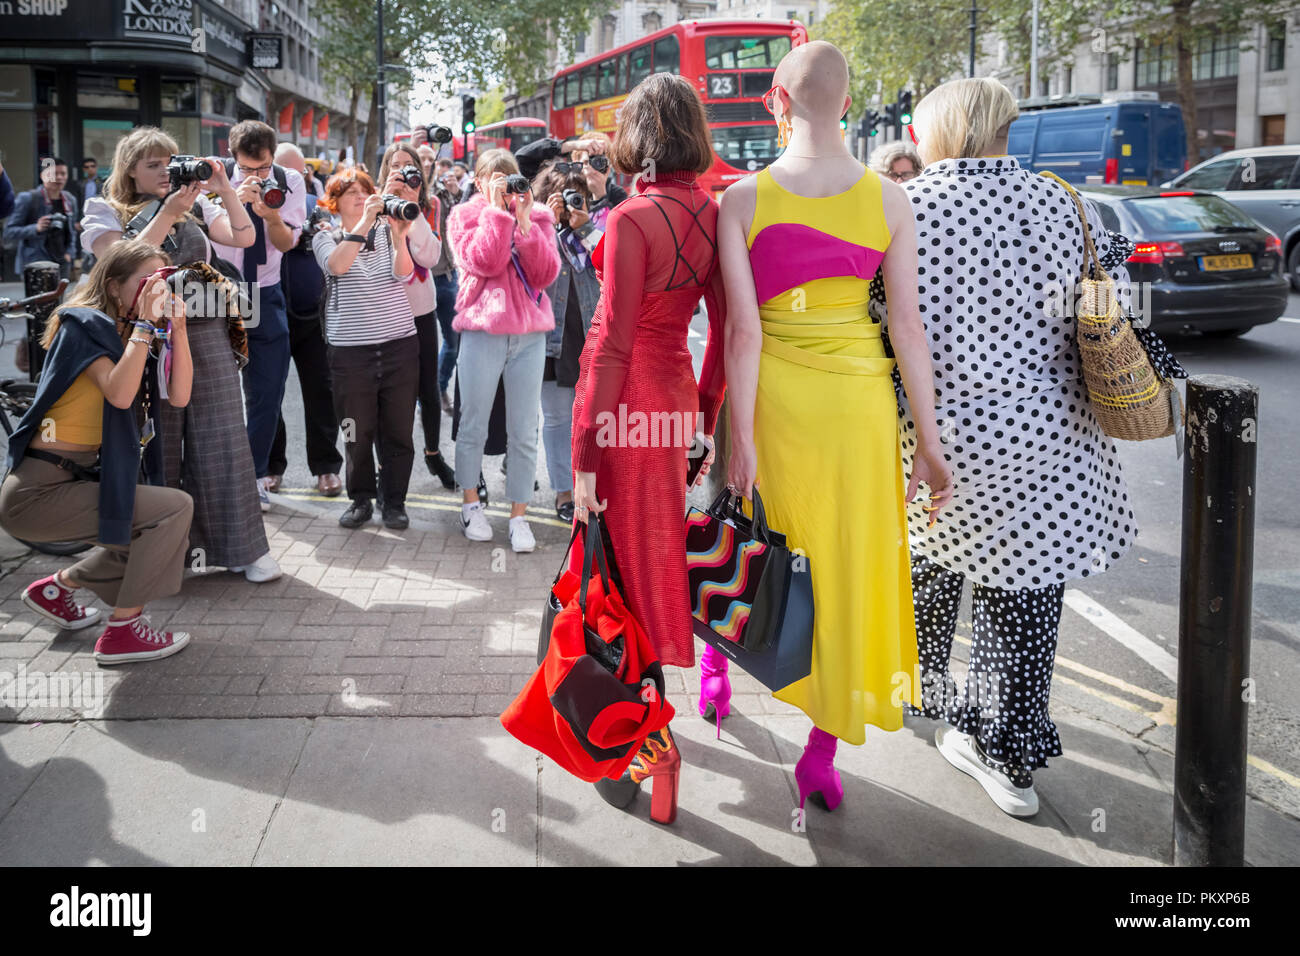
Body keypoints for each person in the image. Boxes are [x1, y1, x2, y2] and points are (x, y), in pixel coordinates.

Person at [717, 41, 952, 814]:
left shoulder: (742, 199)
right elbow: (909, 330)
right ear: (848, 104)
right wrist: (931, 444)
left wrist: (740, 436)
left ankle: (719, 673)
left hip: (776, 400)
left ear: (776, 104)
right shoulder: (890, 198)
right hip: (859, 410)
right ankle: (820, 757)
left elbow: (743, 336)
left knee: (756, 545)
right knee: (843, 570)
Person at [896, 77, 1136, 818]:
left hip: (937, 441)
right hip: (1048, 442)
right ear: (1005, 128)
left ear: (935, 131)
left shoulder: (903, 207)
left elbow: (877, 319)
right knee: (1024, 598)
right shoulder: (1071, 206)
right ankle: (1008, 758)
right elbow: (1112, 306)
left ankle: (921, 694)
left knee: (928, 569)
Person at [569, 73, 728, 824]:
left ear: (638, 134)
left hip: (625, 402)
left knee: (619, 578)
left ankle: (648, 745)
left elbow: (609, 344)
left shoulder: (632, 216)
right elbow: (726, 339)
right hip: (672, 397)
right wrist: (702, 420)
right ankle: (644, 738)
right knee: (650, 559)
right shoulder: (715, 210)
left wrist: (585, 457)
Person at [81, 126, 280, 585]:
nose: (165, 173)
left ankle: (243, 549)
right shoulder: (104, 210)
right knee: (157, 445)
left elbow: (244, 236)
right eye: (153, 165)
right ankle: (165, 555)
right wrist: (170, 211)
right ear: (129, 169)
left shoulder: (194, 204)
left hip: (205, 328)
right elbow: (119, 262)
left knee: (223, 437)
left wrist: (224, 187)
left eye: (170, 163)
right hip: (141, 335)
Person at [0, 239, 195, 664]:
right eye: (146, 281)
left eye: (162, 280)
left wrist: (177, 330)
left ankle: (57, 590)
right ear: (112, 287)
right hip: (36, 492)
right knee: (174, 510)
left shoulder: (132, 334)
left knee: (144, 534)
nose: (156, 290)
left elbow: (179, 397)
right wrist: (145, 326)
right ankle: (123, 632)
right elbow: (121, 395)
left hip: (71, 481)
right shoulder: (83, 326)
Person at [447, 148, 559, 552]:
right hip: (482, 332)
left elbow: (545, 275)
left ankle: (519, 516)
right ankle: (471, 504)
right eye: (494, 179)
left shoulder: (540, 217)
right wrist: (497, 214)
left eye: (510, 178)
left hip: (529, 336)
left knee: (524, 429)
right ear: (478, 183)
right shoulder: (464, 218)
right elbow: (484, 262)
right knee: (473, 422)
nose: (506, 187)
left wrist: (526, 224)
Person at [312, 167, 422, 530]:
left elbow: (403, 273)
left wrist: (400, 236)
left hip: (399, 344)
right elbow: (337, 266)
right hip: (350, 352)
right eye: (350, 193)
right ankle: (361, 499)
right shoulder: (325, 235)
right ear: (335, 201)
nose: (360, 197)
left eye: (364, 191)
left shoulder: (386, 228)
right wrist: (365, 222)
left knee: (398, 430)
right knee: (356, 431)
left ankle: (395, 502)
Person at [209, 120, 309, 512]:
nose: (256, 175)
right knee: (210, 391)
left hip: (263, 292)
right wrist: (231, 196)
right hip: (215, 292)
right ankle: (211, 475)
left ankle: (254, 477)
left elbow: (287, 243)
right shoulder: (213, 180)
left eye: (263, 167)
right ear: (232, 158)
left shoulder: (289, 181)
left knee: (267, 392)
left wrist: (269, 214)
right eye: (248, 169)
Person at [266, 141, 344, 498]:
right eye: (286, 172)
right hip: (269, 313)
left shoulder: (315, 206)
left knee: (321, 393)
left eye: (301, 172)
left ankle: (327, 467)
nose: (295, 179)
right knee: (267, 394)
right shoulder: (255, 205)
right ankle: (270, 467)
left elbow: (320, 236)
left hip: (312, 315)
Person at [379, 140, 454, 489]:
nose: (403, 171)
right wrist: (386, 197)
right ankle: (389, 467)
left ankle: (434, 454)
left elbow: (430, 256)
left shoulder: (430, 205)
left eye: (409, 166)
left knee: (427, 387)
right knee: (390, 393)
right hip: (384, 310)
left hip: (420, 308)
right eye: (396, 165)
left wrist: (412, 205)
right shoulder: (373, 202)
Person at [533, 163, 601, 523]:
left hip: (593, 339)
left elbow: (609, 259)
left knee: (590, 420)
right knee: (558, 419)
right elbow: (532, 268)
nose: (573, 203)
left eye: (580, 196)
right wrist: (547, 220)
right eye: (564, 196)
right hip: (553, 341)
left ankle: (586, 488)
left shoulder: (597, 226)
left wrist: (584, 224)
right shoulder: (538, 229)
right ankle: (563, 491)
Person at [5, 157, 78, 280]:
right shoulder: (28, 199)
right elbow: (9, 232)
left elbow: (72, 231)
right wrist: (36, 228)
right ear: (43, 176)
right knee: (38, 299)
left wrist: (69, 253)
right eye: (55, 174)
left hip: (62, 263)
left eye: (63, 174)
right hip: (36, 264)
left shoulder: (70, 200)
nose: (59, 177)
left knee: (61, 299)